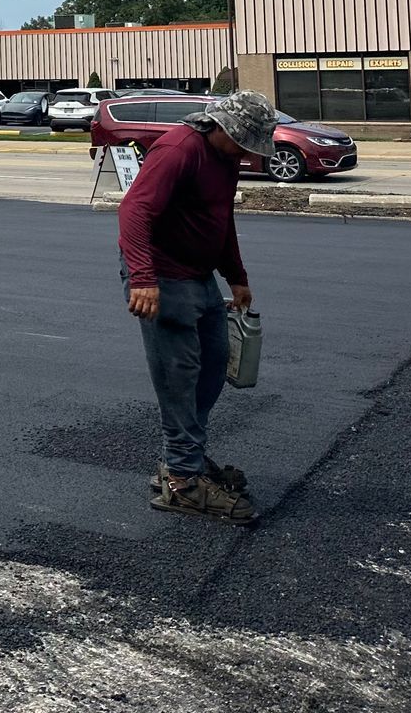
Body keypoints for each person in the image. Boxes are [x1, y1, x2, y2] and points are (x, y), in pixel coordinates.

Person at [117, 88, 276, 523]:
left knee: (214, 362)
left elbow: (220, 218)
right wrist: (144, 280)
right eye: (245, 141)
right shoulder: (177, 150)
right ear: (224, 127)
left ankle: (182, 457)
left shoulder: (225, 159)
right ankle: (182, 481)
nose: (248, 152)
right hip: (162, 274)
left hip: (198, 273)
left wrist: (236, 275)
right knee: (180, 373)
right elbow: (133, 211)